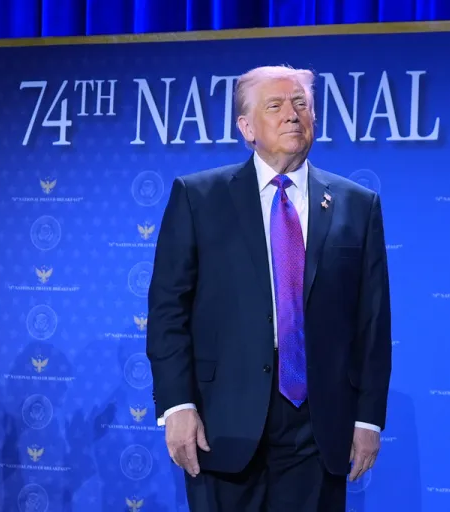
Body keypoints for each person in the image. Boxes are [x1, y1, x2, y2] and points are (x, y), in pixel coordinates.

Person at [146, 65, 392, 512]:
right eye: (275, 105)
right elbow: (168, 310)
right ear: (246, 127)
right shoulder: (198, 197)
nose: (292, 114)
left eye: (301, 103)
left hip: (318, 425)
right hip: (221, 420)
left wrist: (368, 418)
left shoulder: (358, 205)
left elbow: (372, 322)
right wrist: (177, 404)